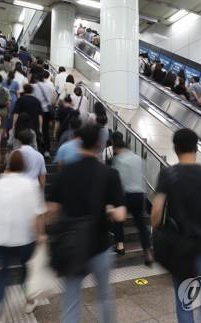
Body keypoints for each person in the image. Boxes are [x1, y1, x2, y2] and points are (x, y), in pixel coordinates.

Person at [48, 125, 127, 323]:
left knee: (72, 300)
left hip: (72, 246)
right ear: (100, 145)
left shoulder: (65, 173)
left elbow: (51, 211)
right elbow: (120, 215)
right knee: (104, 296)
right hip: (99, 245)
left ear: (78, 141)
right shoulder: (109, 174)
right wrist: (109, 210)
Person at [151, 128, 201, 323]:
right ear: (196, 148)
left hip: (179, 250)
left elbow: (156, 213)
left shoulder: (168, 175)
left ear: (176, 149)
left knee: (183, 300)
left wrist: (158, 228)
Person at [0, 150, 45, 316]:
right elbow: (37, 214)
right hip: (24, 238)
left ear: (7, 164)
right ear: (24, 166)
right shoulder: (30, 185)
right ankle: (29, 302)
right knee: (26, 272)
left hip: (0, 238)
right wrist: (40, 234)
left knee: (1, 275)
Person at [112, 133, 153, 266]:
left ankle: (120, 245)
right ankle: (147, 250)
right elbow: (142, 177)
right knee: (141, 224)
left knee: (118, 220)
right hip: (140, 195)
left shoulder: (119, 159)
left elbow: (118, 180)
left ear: (117, 149)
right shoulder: (138, 159)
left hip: (125, 195)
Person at [32, 68, 56, 157]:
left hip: (37, 112)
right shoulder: (50, 86)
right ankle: (47, 150)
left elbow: (33, 98)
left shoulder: (34, 86)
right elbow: (54, 100)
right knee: (46, 131)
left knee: (37, 129)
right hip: (46, 112)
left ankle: (38, 148)